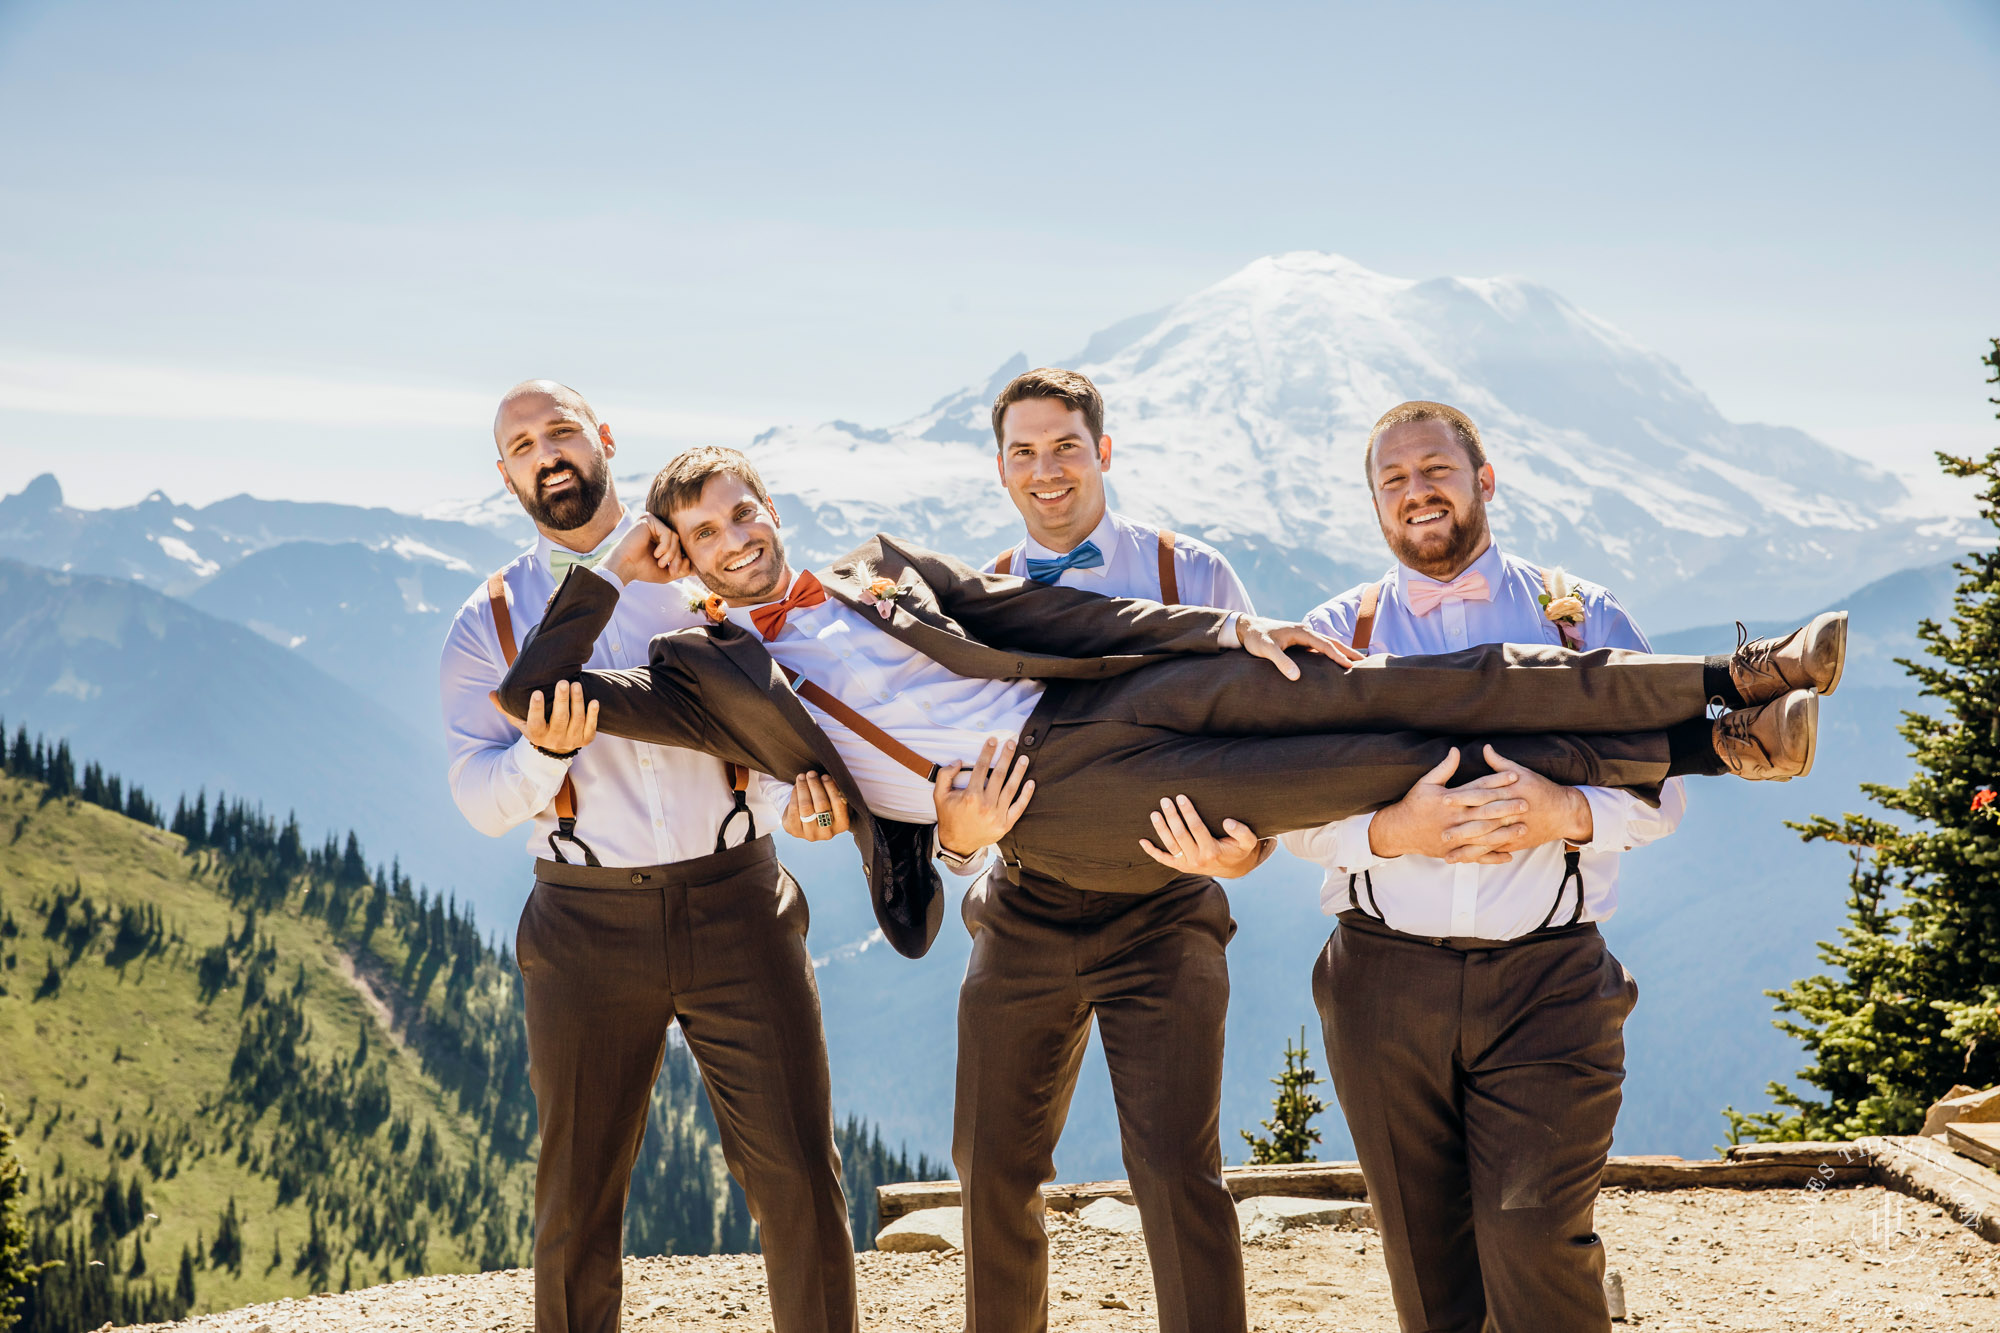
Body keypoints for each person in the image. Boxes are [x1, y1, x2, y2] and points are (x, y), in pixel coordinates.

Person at [493, 444, 1840, 988]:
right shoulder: (692, 680)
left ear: (769, 508)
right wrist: (613, 561)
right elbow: (528, 696)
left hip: (1107, 699)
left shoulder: (880, 566)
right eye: (701, 533)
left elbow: (1051, 621)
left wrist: (1228, 630)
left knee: (1400, 678)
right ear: (676, 551)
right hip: (1045, 807)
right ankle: (1701, 752)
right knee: (1385, 760)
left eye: (743, 511)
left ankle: (1733, 687)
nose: (732, 539)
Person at [1147, 400, 1843, 1333]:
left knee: (1534, 1247)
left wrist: (1562, 811)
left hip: (1549, 982)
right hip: (1379, 983)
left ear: (1485, 478)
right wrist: (1394, 831)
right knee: (1430, 1281)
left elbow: (1658, 797)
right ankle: (1745, 703)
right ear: (1373, 505)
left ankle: (1739, 695)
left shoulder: (1577, 614)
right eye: (1391, 480)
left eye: (1434, 468)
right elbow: (1295, 810)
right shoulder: (1329, 627)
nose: (1415, 492)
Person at [440, 382, 857, 1333]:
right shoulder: (489, 620)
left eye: (561, 431)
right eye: (520, 445)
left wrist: (807, 805)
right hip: (583, 922)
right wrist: (545, 755)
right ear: (503, 475)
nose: (545, 453)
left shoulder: (707, 566)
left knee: (797, 1171)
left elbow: (799, 718)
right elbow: (476, 796)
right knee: (577, 1196)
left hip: (740, 899)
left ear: (604, 440)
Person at [945, 368, 1260, 1332]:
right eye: (1024, 453)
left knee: (1174, 1170)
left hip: (1165, 913)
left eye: (1065, 446)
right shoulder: (974, 601)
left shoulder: (1191, 576)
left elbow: (1269, 740)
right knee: (991, 1164)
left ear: (1104, 452)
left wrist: (1243, 852)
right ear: (1000, 470)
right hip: (1024, 908)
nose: (1047, 471)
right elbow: (944, 794)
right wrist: (961, 836)